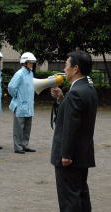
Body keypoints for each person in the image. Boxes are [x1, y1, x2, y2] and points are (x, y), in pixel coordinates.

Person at [50, 50, 98, 212]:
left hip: (70, 156)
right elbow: (76, 117)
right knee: (81, 194)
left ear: (75, 68)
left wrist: (66, 154)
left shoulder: (76, 93)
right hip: (82, 153)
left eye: (66, 65)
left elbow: (71, 126)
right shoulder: (88, 89)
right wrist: (62, 99)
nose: (64, 69)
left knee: (69, 199)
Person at [8, 52, 37, 154]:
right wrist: (17, 97)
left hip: (29, 104)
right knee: (18, 128)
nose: (32, 64)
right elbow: (11, 87)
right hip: (20, 105)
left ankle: (25, 144)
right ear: (24, 63)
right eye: (30, 62)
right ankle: (18, 147)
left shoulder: (30, 73)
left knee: (27, 127)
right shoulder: (19, 74)